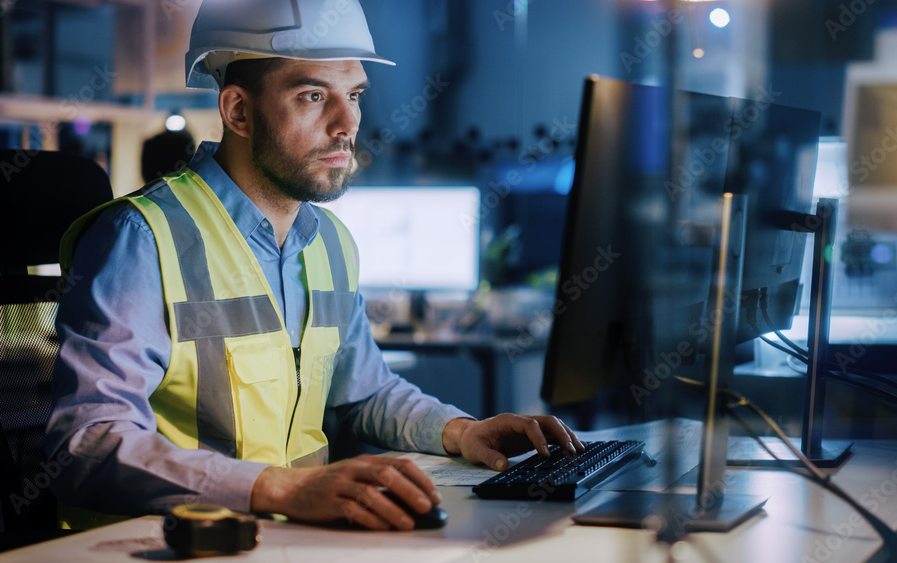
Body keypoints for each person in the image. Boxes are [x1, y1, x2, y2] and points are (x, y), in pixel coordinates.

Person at [45, 0, 583, 532]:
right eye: (312, 95)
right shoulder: (141, 238)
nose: (347, 123)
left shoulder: (328, 241)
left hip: (290, 537)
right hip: (173, 543)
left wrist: (462, 432)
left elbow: (366, 390)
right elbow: (88, 441)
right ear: (238, 112)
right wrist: (282, 488)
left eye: (353, 95)